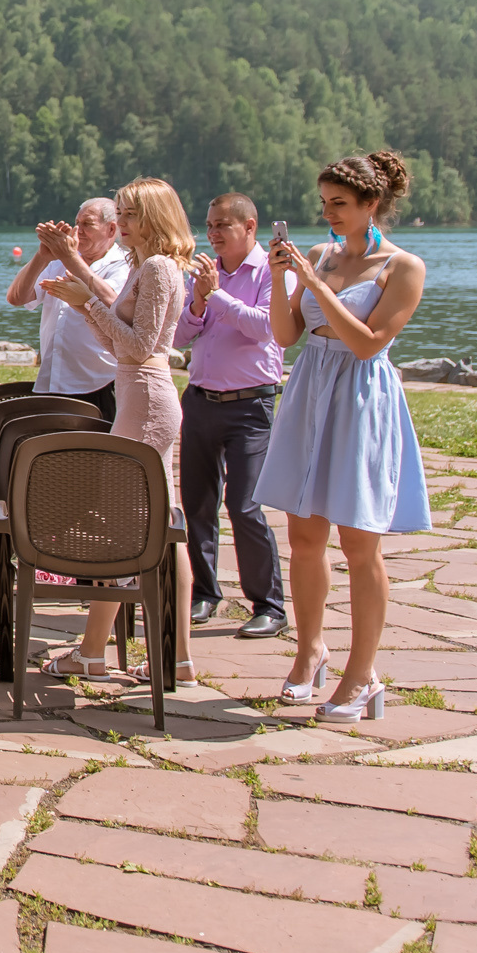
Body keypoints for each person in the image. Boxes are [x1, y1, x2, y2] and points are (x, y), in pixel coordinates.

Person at [256, 151, 430, 725]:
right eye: (324, 203)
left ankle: (362, 674)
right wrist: (284, 279)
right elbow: (285, 336)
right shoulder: (318, 255)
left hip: (361, 396)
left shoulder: (402, 267)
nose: (329, 214)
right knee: (304, 536)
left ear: (371, 205)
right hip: (311, 386)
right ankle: (310, 650)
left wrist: (315, 284)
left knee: (360, 544)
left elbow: (367, 343)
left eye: (340, 204)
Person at [35, 178, 197, 684]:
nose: (120, 223)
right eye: (120, 214)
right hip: (141, 395)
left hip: (145, 398)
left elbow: (141, 345)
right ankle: (173, 655)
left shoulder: (154, 266)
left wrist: (86, 303)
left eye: (127, 215)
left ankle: (95, 652)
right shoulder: (150, 265)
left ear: (151, 218)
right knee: (163, 530)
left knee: (121, 526)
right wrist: (87, 301)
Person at [174, 193, 288, 638]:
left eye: (223, 225)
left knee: (245, 505)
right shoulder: (204, 274)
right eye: (209, 225)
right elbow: (182, 334)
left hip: (250, 403)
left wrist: (215, 295)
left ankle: (269, 604)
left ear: (250, 226)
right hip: (201, 399)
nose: (213, 234)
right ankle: (205, 593)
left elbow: (265, 327)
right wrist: (199, 301)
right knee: (197, 503)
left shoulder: (272, 271)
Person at [6, 196, 128, 416]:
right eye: (77, 223)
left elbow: (112, 304)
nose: (78, 231)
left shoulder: (123, 264)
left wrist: (70, 257)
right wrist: (42, 256)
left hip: (101, 383)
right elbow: (16, 297)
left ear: (111, 230)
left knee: (99, 450)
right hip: (54, 381)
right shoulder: (59, 262)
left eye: (87, 224)